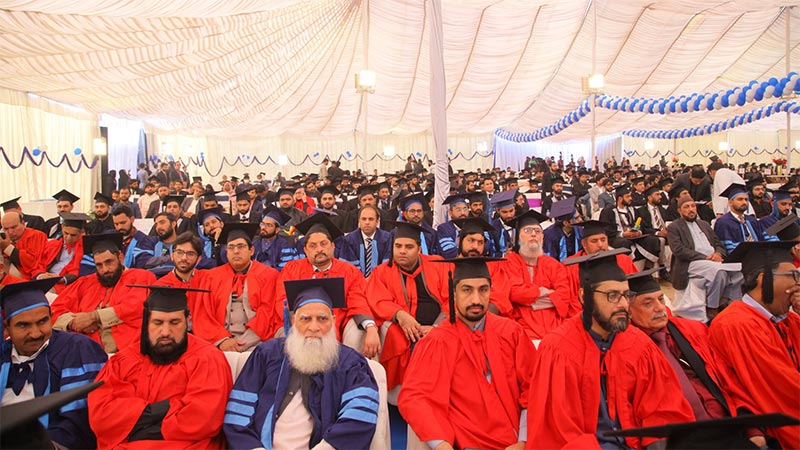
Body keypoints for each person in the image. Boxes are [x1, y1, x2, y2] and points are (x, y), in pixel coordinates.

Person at [527, 249, 694, 449]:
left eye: (626, 295)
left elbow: (663, 409)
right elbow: (558, 431)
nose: (623, 304)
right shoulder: (558, 349)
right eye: (612, 295)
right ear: (584, 296)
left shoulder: (638, 344)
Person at [223, 277, 379, 449]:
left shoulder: (350, 363)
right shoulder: (266, 354)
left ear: (333, 321)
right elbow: (238, 412)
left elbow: (360, 413)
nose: (314, 327)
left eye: (322, 319)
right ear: (293, 321)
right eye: (305, 319)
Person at [625, 268, 772, 448]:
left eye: (661, 299)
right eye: (648, 303)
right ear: (629, 311)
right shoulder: (628, 350)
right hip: (682, 441)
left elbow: (729, 381)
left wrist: (752, 428)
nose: (660, 308)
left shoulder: (694, 331)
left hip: (728, 428)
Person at [399, 257, 535, 449]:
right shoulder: (437, 342)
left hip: (519, 440)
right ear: (453, 293)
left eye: (483, 290)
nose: (476, 300)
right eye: (467, 290)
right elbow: (416, 397)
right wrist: (442, 445)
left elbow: (534, 387)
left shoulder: (512, 333)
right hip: (468, 442)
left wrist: (524, 440)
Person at [89, 285, 233, 449]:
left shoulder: (207, 358)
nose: (165, 331)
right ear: (146, 322)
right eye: (158, 322)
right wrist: (171, 407)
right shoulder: (125, 359)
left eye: (175, 322)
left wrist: (133, 424)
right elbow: (101, 416)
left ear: (187, 321)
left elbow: (204, 419)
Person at [709, 241, 800, 450]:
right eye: (793, 276)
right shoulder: (737, 325)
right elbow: (783, 387)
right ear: (762, 279)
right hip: (772, 427)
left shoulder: (788, 320)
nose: (798, 284)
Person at [0, 278, 108, 449]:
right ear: (7, 327)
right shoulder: (3, 355)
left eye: (42, 322)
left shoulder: (77, 349)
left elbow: (79, 421)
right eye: (23, 325)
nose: (35, 333)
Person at [276, 213, 380, 358]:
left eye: (323, 244)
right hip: (302, 323)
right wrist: (300, 322)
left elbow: (358, 300)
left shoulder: (348, 271)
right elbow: (282, 300)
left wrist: (370, 327)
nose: (319, 249)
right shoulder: (292, 269)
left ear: (332, 246)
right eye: (313, 246)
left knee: (359, 331)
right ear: (305, 251)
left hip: (337, 326)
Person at [367, 222, 449, 392]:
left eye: (408, 247)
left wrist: (436, 327)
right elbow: (378, 300)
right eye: (398, 246)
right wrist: (400, 315)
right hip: (403, 331)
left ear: (419, 249)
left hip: (438, 329)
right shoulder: (381, 272)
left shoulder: (439, 265)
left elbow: (453, 299)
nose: (402, 251)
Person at [50, 233, 157, 353]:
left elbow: (134, 307)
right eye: (99, 265)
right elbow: (55, 309)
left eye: (109, 262)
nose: (105, 269)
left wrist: (94, 317)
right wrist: (72, 323)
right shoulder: (85, 282)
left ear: (120, 258)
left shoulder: (141, 276)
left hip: (126, 350)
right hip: (85, 350)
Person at [197, 223, 281, 351]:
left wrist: (242, 344)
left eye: (240, 246)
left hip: (256, 341)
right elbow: (204, 314)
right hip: (220, 342)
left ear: (251, 250)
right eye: (231, 247)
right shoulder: (212, 276)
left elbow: (267, 313)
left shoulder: (268, 275)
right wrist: (222, 341)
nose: (236, 251)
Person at [667, 195, 743, 322]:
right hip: (692, 263)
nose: (691, 209)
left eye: (693, 206)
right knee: (719, 271)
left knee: (740, 270)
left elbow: (718, 244)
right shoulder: (674, 227)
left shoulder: (704, 224)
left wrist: (718, 254)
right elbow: (679, 250)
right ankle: (712, 307)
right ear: (679, 210)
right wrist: (705, 257)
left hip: (713, 261)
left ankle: (732, 303)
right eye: (686, 207)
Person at [502, 209, 572, 340]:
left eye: (538, 231)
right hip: (523, 328)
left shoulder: (553, 264)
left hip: (554, 327)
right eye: (528, 231)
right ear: (518, 237)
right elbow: (515, 293)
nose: (533, 234)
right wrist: (550, 293)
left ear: (542, 237)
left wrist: (529, 301)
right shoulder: (510, 262)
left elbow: (564, 296)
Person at [38, 212, 89, 293]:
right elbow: (39, 263)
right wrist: (40, 275)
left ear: (82, 232)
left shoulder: (86, 249)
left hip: (67, 285)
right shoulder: (52, 244)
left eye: (73, 235)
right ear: (62, 227)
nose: (68, 238)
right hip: (46, 279)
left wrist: (62, 278)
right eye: (66, 233)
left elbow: (79, 271)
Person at [336, 205, 392, 277]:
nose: (367, 222)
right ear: (359, 221)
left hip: (381, 282)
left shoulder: (387, 238)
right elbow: (349, 268)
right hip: (357, 283)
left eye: (371, 219)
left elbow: (387, 266)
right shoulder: (349, 240)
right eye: (364, 219)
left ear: (377, 222)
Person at [714, 183, 767, 253]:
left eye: (746, 199)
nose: (744, 202)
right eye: (740, 199)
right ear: (730, 202)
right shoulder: (723, 222)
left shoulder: (752, 220)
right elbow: (726, 248)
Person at [0, 211, 46, 280]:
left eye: (13, 227)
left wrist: (7, 248)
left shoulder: (37, 236)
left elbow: (33, 263)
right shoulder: (2, 238)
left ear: (23, 223)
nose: (10, 232)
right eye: (6, 229)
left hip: (29, 277)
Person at [113, 205, 156, 269]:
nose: (119, 227)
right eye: (116, 224)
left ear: (132, 219)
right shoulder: (112, 239)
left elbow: (143, 264)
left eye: (123, 223)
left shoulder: (143, 240)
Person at [542, 197, 581, 262]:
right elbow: (549, 259)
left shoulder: (579, 231)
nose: (580, 220)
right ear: (565, 223)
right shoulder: (549, 235)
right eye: (576, 218)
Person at [435, 194, 472, 259]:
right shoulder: (444, 228)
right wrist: (472, 252)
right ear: (450, 213)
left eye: (465, 209)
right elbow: (449, 252)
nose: (463, 213)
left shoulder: (474, 225)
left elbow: (485, 247)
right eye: (458, 210)